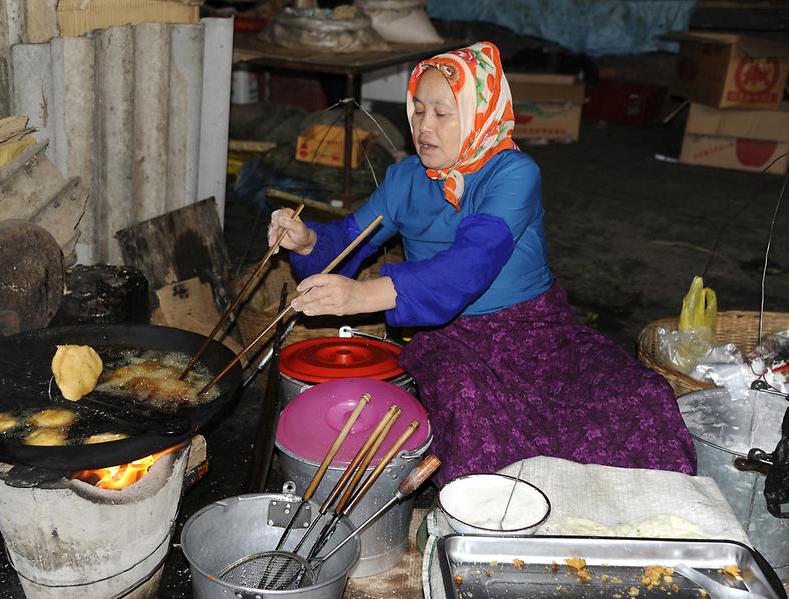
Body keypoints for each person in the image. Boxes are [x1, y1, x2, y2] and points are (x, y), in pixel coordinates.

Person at [267, 41, 696, 487]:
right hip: (449, 338)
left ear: (478, 112)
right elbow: (347, 240)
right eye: (416, 110)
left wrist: (362, 295)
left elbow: (471, 264)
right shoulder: (405, 180)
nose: (424, 127)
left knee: (638, 397)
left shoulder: (512, 173)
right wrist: (307, 239)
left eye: (442, 113)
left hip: (536, 330)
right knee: (471, 410)